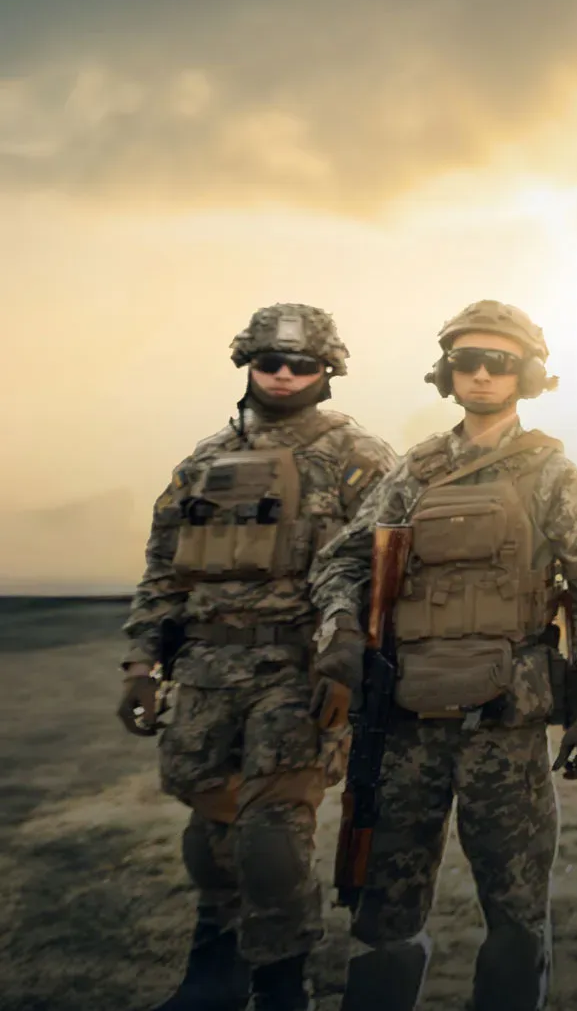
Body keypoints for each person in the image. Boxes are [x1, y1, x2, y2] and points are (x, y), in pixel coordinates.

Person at [308, 300, 577, 1011]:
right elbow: (341, 562)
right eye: (466, 361)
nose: (481, 375)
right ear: (446, 372)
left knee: (515, 909)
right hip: (406, 718)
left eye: (499, 363)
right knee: (384, 908)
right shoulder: (413, 471)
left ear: (527, 374)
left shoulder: (549, 472)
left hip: (505, 725)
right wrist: (342, 630)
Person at [118, 304, 395, 1011]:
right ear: (247, 364)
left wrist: (349, 665)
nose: (283, 375)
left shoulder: (358, 458)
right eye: (269, 361)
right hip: (205, 673)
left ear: (327, 371)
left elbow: (384, 572)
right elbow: (164, 570)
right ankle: (213, 978)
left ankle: (281, 986)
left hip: (296, 675)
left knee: (272, 841)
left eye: (301, 364)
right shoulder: (206, 461)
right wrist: (141, 666)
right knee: (211, 837)